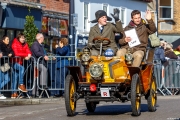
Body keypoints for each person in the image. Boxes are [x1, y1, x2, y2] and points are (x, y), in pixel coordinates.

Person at [11, 33, 32, 99]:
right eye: (22, 38)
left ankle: (13, 93)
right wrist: (25, 55)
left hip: (19, 62)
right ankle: (21, 84)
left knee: (15, 77)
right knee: (22, 68)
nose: (23, 39)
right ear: (18, 38)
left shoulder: (25, 44)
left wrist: (29, 54)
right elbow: (16, 53)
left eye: (24, 38)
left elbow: (28, 50)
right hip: (14, 62)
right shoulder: (15, 43)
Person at [31, 33, 49, 98]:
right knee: (36, 77)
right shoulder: (35, 44)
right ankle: (42, 85)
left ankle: (37, 92)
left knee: (36, 77)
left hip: (39, 63)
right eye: (43, 38)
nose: (43, 39)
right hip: (36, 64)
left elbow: (43, 52)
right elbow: (37, 52)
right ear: (40, 38)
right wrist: (44, 56)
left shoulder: (41, 45)